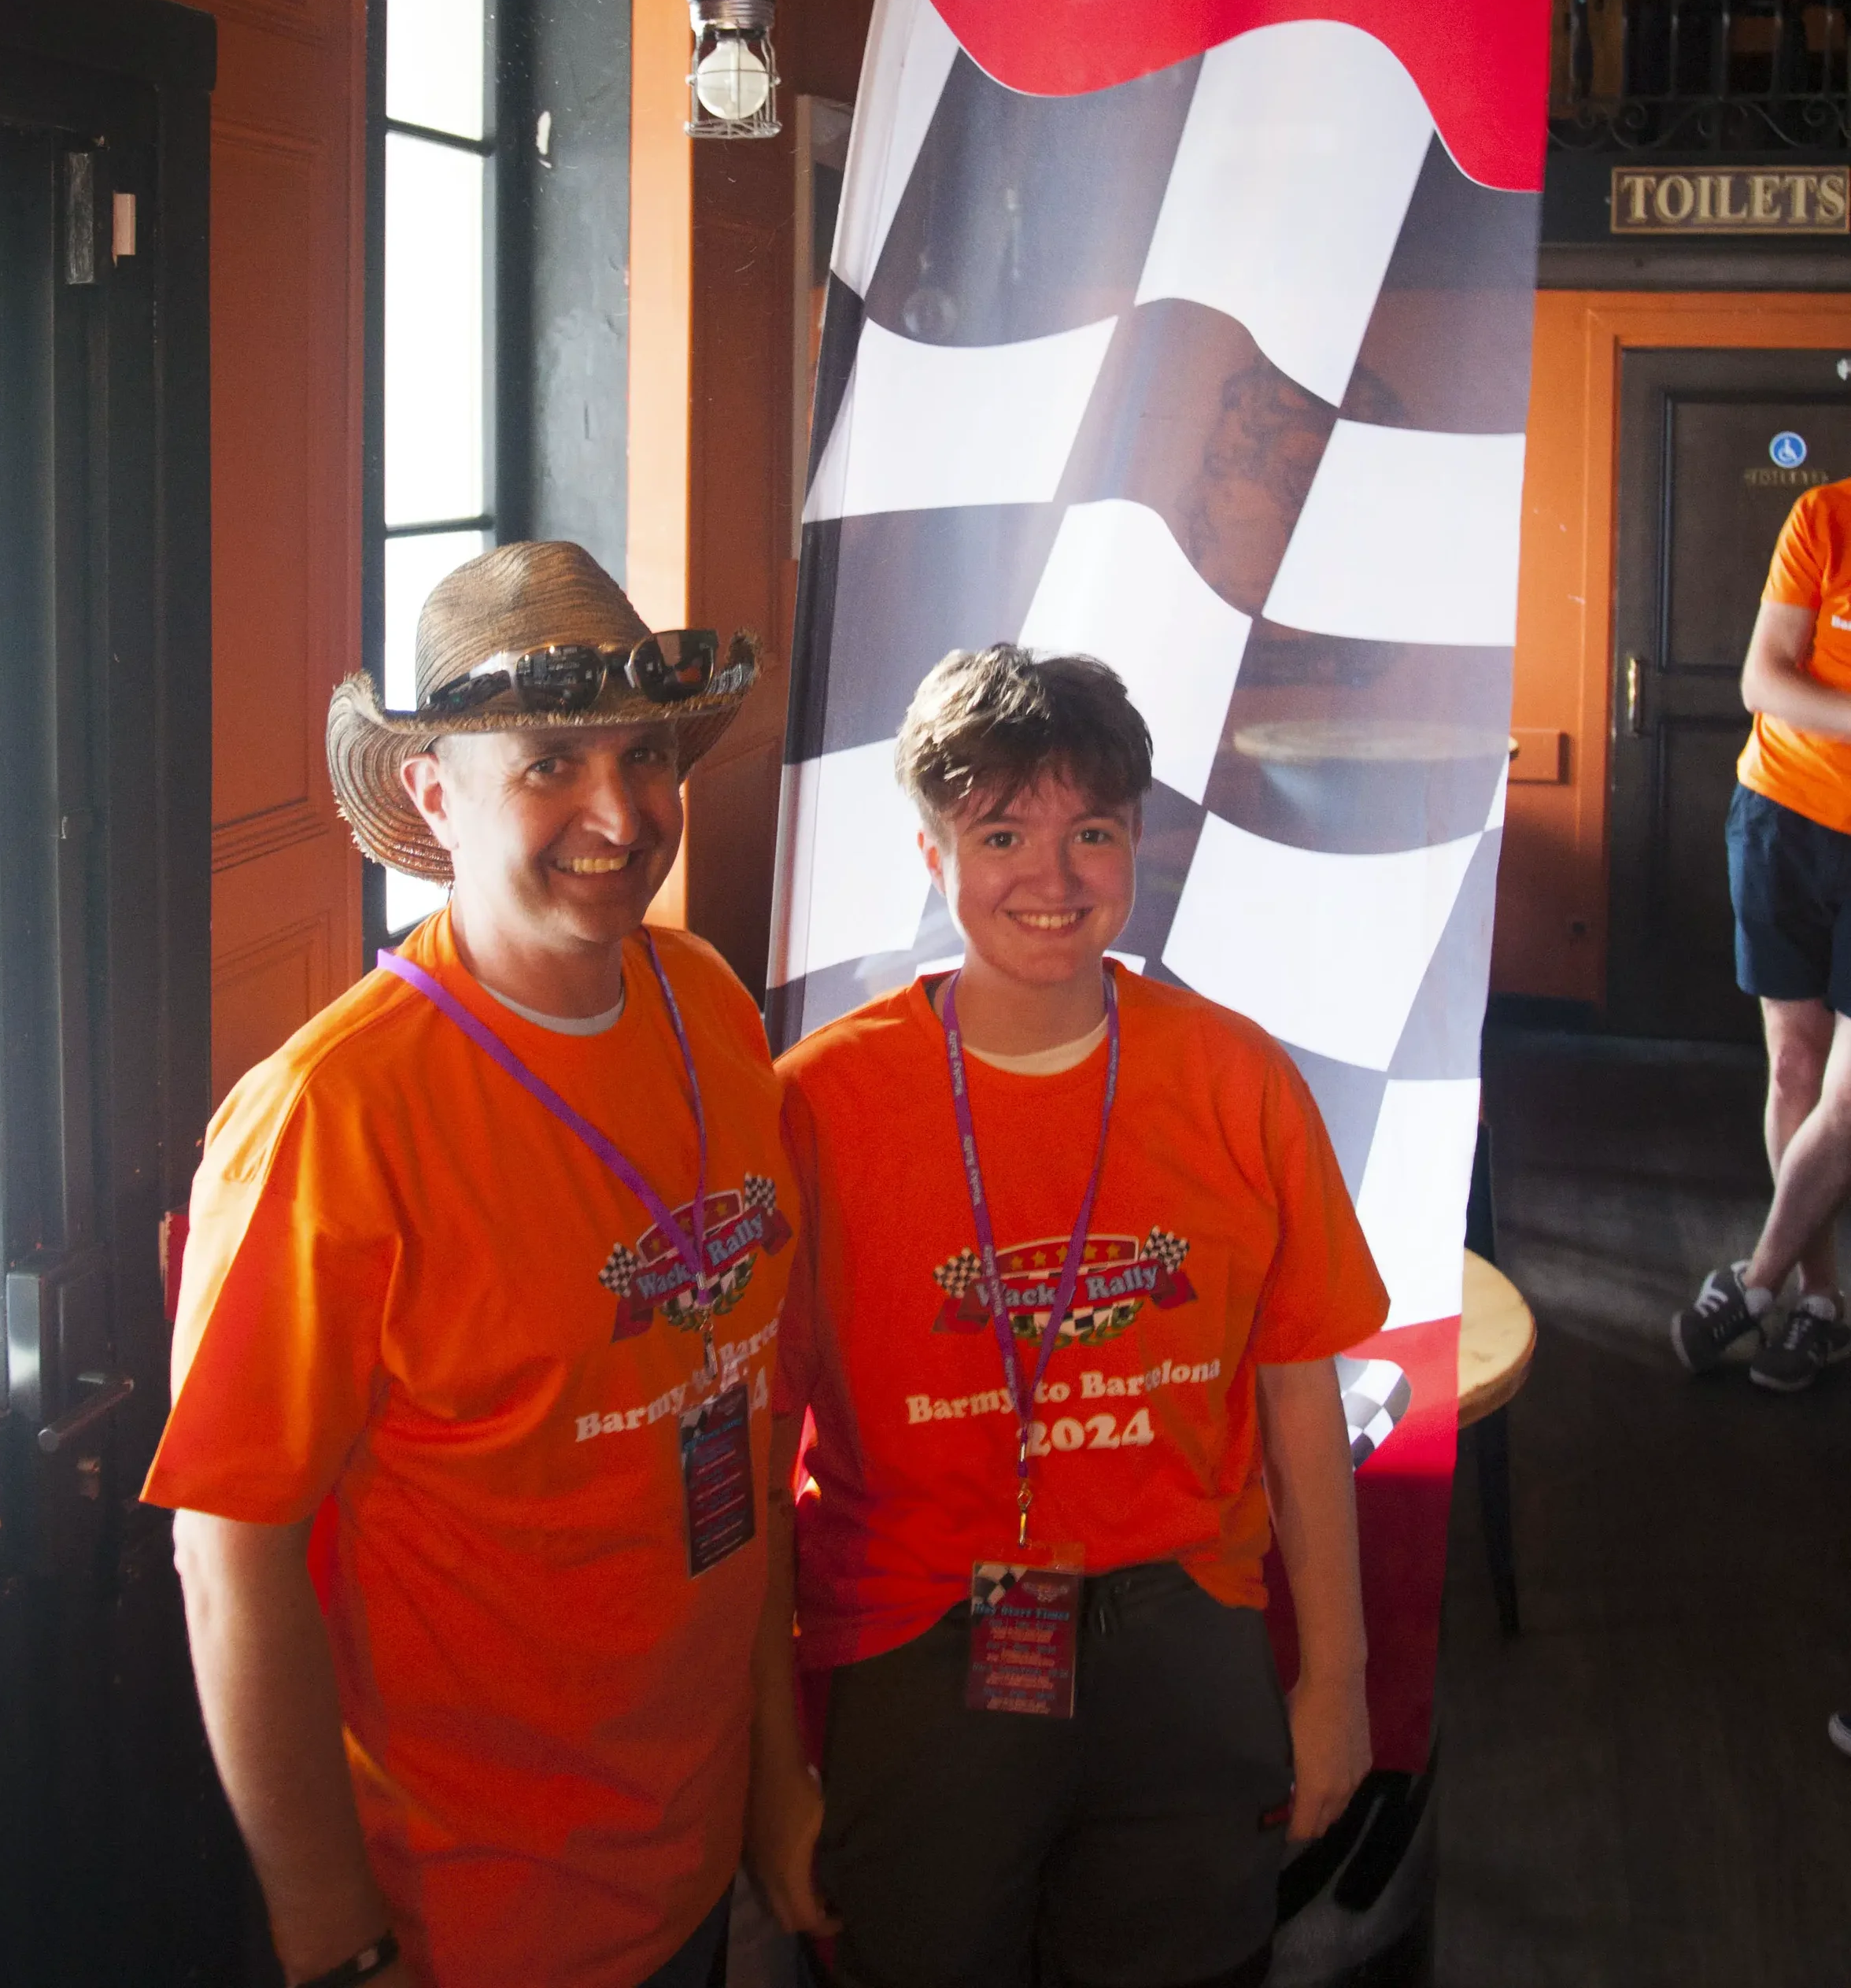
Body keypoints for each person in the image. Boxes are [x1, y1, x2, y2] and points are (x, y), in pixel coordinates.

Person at [144, 542, 796, 1988]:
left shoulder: (707, 1002)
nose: (619, 812)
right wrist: (333, 1939)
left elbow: (737, 1428)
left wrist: (776, 1773)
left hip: (692, 1859)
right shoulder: (328, 1115)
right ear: (434, 791)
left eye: (644, 753)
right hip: (467, 1918)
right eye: (550, 761)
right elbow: (227, 1555)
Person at [746, 645, 1390, 1988]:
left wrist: (1336, 1682)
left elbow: (1297, 1391)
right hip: (918, 1636)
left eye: (1091, 828)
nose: (1053, 875)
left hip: (1187, 1625)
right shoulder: (820, 1106)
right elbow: (757, 1448)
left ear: (1138, 841)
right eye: (1001, 832)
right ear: (934, 856)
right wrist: (768, 1765)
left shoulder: (1235, 1077)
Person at [1672, 479, 1851, 1391]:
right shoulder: (1826, 514)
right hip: (1783, 814)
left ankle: (1753, 1280)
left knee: (1850, 1097)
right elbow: (1763, 678)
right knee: (1792, 1070)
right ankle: (1819, 1301)